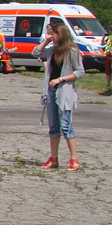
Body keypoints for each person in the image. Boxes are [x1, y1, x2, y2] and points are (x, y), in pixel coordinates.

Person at [32, 23, 85, 171]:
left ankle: (74, 159)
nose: (51, 36)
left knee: (66, 125)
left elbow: (80, 72)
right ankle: (53, 158)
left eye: (53, 34)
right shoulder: (52, 50)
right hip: (51, 91)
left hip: (64, 92)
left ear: (61, 34)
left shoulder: (72, 51)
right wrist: (46, 41)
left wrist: (61, 79)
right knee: (53, 127)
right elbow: (35, 53)